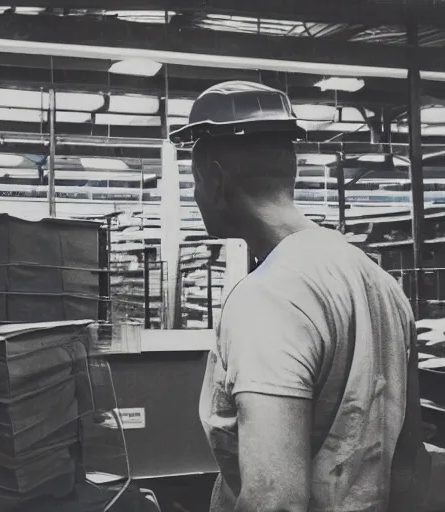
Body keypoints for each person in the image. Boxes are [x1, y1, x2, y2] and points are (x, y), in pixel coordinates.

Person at [171, 81, 431, 512]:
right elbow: (408, 468)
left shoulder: (267, 299)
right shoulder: (381, 284)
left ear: (216, 181)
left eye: (194, 181)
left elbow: (275, 501)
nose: (195, 196)